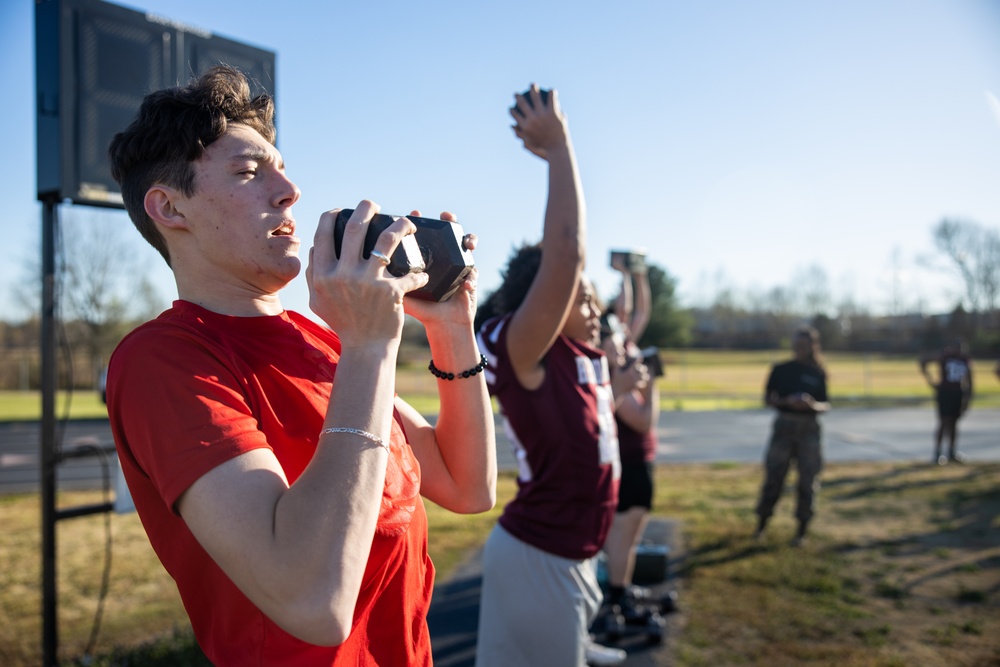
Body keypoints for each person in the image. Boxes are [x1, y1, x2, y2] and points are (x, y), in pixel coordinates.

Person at [104, 65, 496, 666]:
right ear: (170, 208)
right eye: (246, 173)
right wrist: (369, 346)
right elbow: (314, 601)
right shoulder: (165, 360)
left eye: (283, 170)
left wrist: (451, 327)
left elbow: (468, 487)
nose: (289, 191)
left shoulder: (319, 337)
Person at [474, 86, 625, 667]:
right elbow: (566, 257)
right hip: (541, 553)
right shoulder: (528, 347)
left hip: (575, 552)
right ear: (549, 302)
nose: (592, 303)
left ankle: (578, 638)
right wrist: (560, 150)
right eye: (579, 295)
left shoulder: (582, 357)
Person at [599, 254, 660, 620]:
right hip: (629, 460)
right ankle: (616, 594)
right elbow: (642, 422)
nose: (625, 339)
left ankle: (620, 587)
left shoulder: (620, 358)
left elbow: (639, 313)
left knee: (630, 535)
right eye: (616, 337)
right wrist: (652, 387)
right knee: (621, 536)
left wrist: (636, 275)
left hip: (640, 460)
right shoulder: (611, 370)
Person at [753, 326, 830, 547]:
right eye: (796, 345)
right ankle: (761, 525)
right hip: (784, 427)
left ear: (812, 347)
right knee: (774, 477)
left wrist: (812, 405)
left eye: (804, 346)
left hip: (809, 429)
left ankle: (801, 531)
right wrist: (787, 402)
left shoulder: (818, 372)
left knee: (808, 480)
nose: (799, 349)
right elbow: (767, 399)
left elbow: (826, 404)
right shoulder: (781, 370)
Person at [920, 339, 973, 465]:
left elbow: (970, 380)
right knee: (943, 422)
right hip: (945, 393)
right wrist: (930, 380)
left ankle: (951, 452)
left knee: (954, 423)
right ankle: (938, 453)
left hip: (957, 393)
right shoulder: (944, 356)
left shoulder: (964, 360)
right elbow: (923, 360)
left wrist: (968, 398)